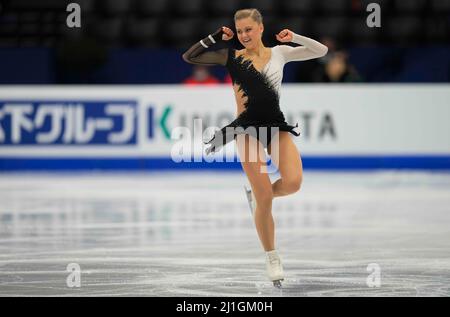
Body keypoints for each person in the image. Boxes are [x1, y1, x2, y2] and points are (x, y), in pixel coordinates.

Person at [182, 8, 328, 287]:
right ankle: (272, 256)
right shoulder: (232, 57)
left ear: (260, 28)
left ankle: (258, 197)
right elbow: (190, 57)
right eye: (240, 31)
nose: (244, 35)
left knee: (294, 183)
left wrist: (294, 36)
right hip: (246, 130)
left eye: (249, 29)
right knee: (265, 197)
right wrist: (216, 37)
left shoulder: (280, 53)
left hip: (276, 127)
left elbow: (320, 51)